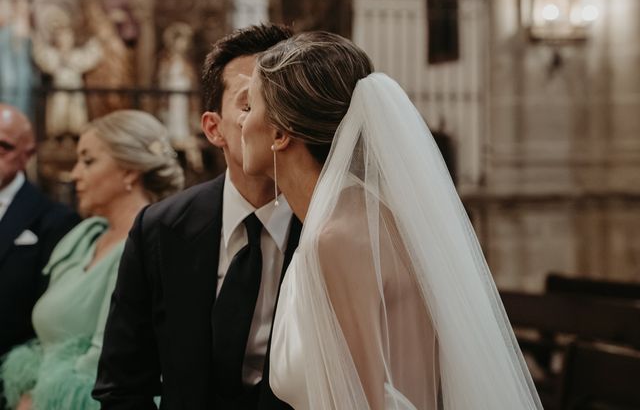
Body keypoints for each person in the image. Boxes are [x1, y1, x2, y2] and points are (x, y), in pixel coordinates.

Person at [239, 31, 544, 409]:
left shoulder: (337, 238)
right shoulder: (371, 216)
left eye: (249, 108)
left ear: (280, 134)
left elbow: (360, 402)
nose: (241, 122)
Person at [92, 23, 301, 410]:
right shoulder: (160, 228)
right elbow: (122, 384)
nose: (274, 116)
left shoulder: (327, 228)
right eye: (249, 101)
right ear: (213, 128)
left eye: (285, 98)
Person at [1, 110, 183, 410]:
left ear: (129, 171)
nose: (74, 175)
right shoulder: (85, 237)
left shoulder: (147, 247)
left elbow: (106, 360)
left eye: (88, 161)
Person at [0, 104, 80, 409]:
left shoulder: (53, 220)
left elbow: (54, 315)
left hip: (11, 381)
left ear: (27, 154)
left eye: (3, 146)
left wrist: (29, 385)